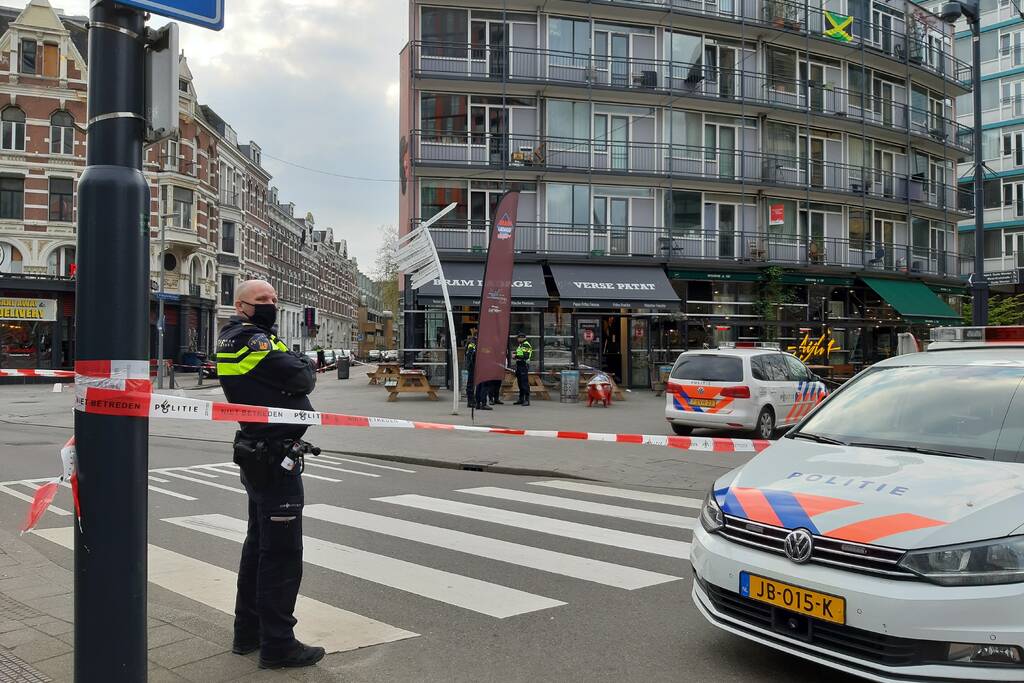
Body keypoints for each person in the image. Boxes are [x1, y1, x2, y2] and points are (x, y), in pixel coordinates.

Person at [215, 279, 325, 670]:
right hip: (274, 457)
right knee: (281, 555)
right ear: (240, 305)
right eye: (262, 299)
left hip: (258, 452)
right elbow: (303, 377)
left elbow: (293, 371)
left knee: (259, 545)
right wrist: (300, 363)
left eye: (274, 298)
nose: (271, 304)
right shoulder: (252, 340)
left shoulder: (235, 337)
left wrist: (295, 362)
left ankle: (247, 632)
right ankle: (279, 645)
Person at [513, 333, 533, 406]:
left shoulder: (526, 345)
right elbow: (520, 353)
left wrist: (515, 356)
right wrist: (515, 355)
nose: (517, 339)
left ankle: (527, 400)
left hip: (524, 365)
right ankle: (521, 399)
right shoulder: (521, 345)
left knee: (524, 383)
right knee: (520, 383)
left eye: (518, 338)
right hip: (519, 365)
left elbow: (525, 356)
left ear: (522, 338)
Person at [464, 332, 478, 408]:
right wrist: (471, 364)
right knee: (471, 383)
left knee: (472, 383)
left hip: (473, 365)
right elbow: (470, 354)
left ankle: (473, 400)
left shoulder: (474, 342)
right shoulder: (472, 343)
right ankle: (470, 401)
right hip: (472, 366)